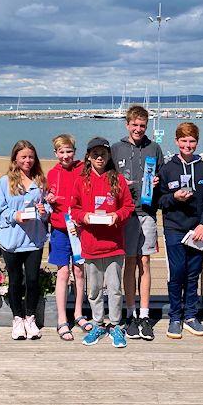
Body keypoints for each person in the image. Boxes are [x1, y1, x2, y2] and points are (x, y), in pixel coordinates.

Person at [70, 137, 135, 347]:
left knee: (115, 289)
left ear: (109, 156)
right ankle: (97, 323)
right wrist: (84, 217)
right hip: (91, 245)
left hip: (114, 245)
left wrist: (117, 216)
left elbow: (128, 206)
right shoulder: (81, 180)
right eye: (95, 154)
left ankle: (116, 326)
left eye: (103, 154)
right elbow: (74, 209)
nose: (99, 157)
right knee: (94, 290)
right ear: (88, 157)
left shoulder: (117, 179)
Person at [111, 105, 163, 341]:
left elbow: (161, 178)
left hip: (147, 212)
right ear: (127, 124)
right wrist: (120, 184)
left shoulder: (154, 147)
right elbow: (108, 181)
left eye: (142, 125)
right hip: (126, 214)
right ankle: (130, 313)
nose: (138, 129)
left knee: (145, 263)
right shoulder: (116, 149)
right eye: (135, 125)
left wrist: (157, 182)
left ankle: (144, 315)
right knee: (129, 263)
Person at [0, 140, 50, 340]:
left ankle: (30, 318)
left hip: (34, 240)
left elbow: (47, 209)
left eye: (31, 157)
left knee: (32, 280)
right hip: (12, 241)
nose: (28, 160)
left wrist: (43, 212)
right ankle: (17, 319)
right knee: (15, 281)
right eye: (23, 156)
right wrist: (14, 216)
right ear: (15, 158)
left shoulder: (40, 181)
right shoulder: (5, 182)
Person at [158, 122, 203, 339]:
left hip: (197, 229)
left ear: (197, 142)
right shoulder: (167, 168)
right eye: (184, 140)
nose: (188, 145)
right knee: (177, 272)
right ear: (176, 141)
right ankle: (175, 317)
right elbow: (159, 200)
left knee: (193, 273)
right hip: (174, 228)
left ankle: (190, 316)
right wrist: (174, 197)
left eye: (192, 141)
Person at [45, 134, 92, 341]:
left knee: (79, 272)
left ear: (75, 151)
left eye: (69, 151)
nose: (66, 156)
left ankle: (78, 314)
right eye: (61, 152)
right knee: (63, 273)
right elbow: (46, 201)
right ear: (56, 153)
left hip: (80, 228)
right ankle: (62, 319)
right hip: (60, 230)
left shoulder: (83, 169)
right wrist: (48, 199)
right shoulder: (52, 173)